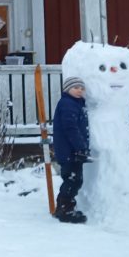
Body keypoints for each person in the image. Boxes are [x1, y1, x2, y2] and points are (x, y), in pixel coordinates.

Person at [52, 76, 90, 224]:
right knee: (73, 180)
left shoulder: (75, 103)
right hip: (70, 152)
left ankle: (62, 207)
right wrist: (81, 147)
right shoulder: (68, 104)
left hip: (72, 151)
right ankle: (65, 211)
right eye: (76, 88)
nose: (79, 91)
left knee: (72, 180)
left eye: (82, 88)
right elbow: (71, 128)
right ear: (67, 89)